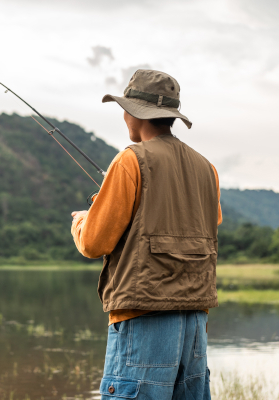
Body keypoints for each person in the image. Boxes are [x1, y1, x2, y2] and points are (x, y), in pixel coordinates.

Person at [71, 69, 222, 400]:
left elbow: (94, 243)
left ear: (133, 113)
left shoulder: (130, 160)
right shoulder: (207, 168)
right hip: (194, 322)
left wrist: (83, 219)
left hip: (144, 316)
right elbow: (205, 224)